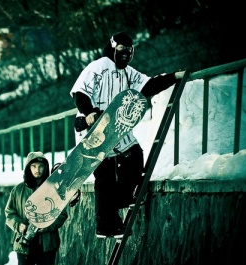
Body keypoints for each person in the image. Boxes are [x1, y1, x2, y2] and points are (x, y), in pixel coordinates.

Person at [69, 31, 185, 238]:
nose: (125, 54)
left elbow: (149, 85)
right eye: (121, 49)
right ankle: (106, 226)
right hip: (94, 127)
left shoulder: (129, 73)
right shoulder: (97, 67)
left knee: (134, 155)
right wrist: (89, 113)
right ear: (113, 48)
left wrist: (174, 77)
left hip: (118, 128)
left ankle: (121, 199)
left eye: (129, 51)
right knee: (104, 177)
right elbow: (80, 93)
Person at [5, 151, 68, 265]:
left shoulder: (53, 188)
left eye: (40, 166)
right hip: (24, 243)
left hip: (47, 244)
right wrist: (18, 225)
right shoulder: (18, 190)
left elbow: (62, 214)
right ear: (28, 168)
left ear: (46, 167)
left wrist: (44, 226)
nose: (37, 170)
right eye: (33, 166)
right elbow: (9, 213)